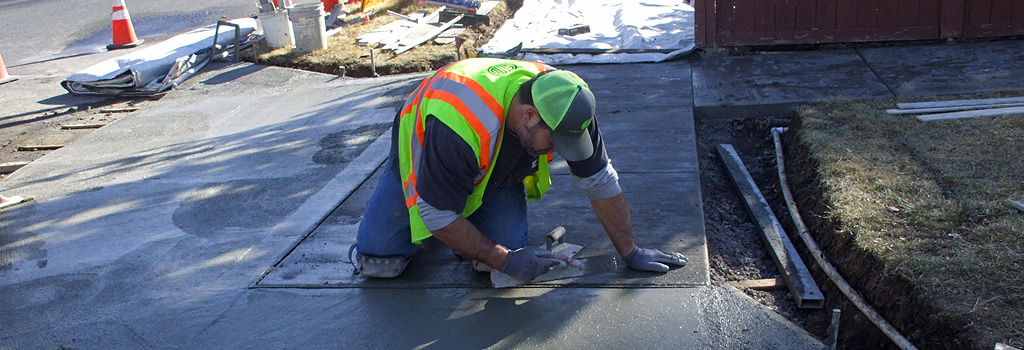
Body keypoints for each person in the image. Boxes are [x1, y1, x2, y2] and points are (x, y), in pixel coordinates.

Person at [354, 58, 687, 283]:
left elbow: (598, 179)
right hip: (427, 151)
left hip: (493, 163)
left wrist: (630, 250)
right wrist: (505, 260)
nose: (558, 152)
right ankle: (440, 213)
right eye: (553, 140)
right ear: (529, 116)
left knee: (494, 258)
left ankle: (464, 220)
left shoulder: (565, 100)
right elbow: (435, 214)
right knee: (382, 263)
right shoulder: (461, 122)